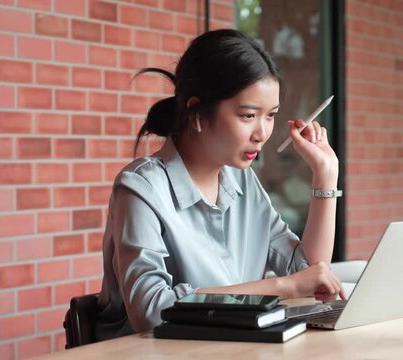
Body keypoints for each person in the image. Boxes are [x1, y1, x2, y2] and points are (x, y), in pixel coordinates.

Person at [95, 29, 345, 340]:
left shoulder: (242, 180)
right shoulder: (140, 188)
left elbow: (310, 272)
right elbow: (150, 310)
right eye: (248, 115)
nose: (262, 132)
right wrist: (282, 287)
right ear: (197, 111)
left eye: (271, 116)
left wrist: (326, 176)